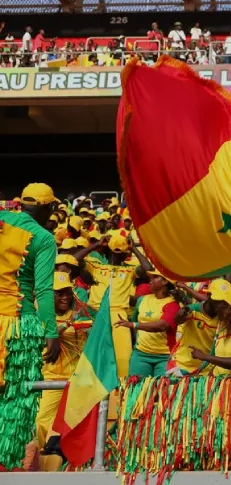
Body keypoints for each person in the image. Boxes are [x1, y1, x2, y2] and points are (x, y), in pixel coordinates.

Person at [0, 183, 61, 470]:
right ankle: (6, 465)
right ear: (48, 208)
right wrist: (51, 332)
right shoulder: (44, 238)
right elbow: (44, 290)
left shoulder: (2, 220)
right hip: (17, 326)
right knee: (16, 400)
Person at [73, 234, 152, 377]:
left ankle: (121, 387)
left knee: (123, 357)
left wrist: (134, 249)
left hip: (118, 315)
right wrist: (96, 245)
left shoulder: (130, 270)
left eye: (120, 253)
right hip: (95, 313)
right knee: (92, 354)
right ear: (108, 250)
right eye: (114, 252)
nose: (116, 256)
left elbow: (148, 269)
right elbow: (74, 259)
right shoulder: (96, 266)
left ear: (125, 254)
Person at [35, 273, 91, 448]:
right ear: (49, 295)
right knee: (41, 421)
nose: (65, 297)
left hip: (76, 380)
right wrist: (68, 323)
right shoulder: (42, 316)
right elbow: (46, 339)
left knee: (75, 426)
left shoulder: (81, 315)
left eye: (67, 292)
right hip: (51, 379)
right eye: (59, 293)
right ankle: (39, 455)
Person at [115, 270, 181, 377]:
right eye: (150, 278)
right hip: (140, 354)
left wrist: (133, 325)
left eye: (154, 278)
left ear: (165, 281)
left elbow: (162, 326)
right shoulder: (142, 300)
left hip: (165, 357)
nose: (150, 281)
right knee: (135, 386)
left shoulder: (173, 304)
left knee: (161, 387)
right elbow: (135, 320)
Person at [169, 279, 228, 375]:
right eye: (218, 300)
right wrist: (181, 314)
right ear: (208, 296)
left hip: (206, 369)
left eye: (225, 301)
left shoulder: (225, 318)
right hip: (182, 366)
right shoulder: (193, 309)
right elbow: (177, 320)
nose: (221, 304)